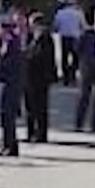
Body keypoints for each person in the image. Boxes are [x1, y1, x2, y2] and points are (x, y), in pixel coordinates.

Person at [0, 8, 28, 157]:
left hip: (13, 81)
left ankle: (11, 146)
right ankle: (8, 144)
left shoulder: (13, 42)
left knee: (8, 114)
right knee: (5, 115)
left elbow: (9, 63)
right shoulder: (7, 42)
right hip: (8, 81)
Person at [24, 12, 58, 144]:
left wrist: (27, 55)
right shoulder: (32, 37)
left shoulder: (45, 37)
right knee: (30, 106)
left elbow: (43, 57)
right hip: (30, 77)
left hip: (40, 78)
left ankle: (41, 133)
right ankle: (31, 132)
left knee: (40, 107)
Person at [74, 9, 95, 133]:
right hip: (87, 67)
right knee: (84, 96)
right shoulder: (87, 34)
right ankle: (79, 123)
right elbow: (77, 49)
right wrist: (80, 64)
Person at [54, 0, 86, 86]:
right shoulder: (79, 13)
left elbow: (56, 26)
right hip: (76, 37)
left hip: (64, 36)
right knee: (75, 58)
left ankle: (66, 78)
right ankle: (72, 75)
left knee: (64, 57)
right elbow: (83, 25)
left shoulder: (60, 13)